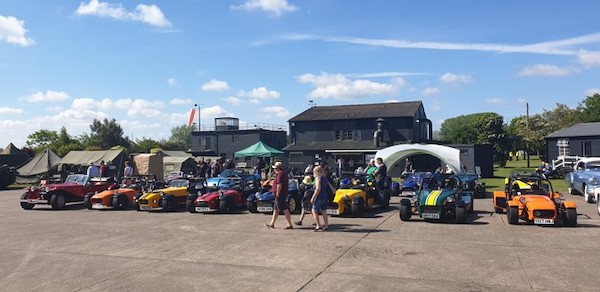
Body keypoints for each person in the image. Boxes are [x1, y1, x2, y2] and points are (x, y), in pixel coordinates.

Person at [265, 161, 293, 229]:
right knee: (276, 209)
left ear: (277, 168)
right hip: (280, 193)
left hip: (280, 194)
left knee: (284, 208)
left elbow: (279, 184)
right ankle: (272, 223)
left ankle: (289, 224)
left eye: (275, 168)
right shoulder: (282, 173)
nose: (274, 170)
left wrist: (278, 192)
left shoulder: (280, 174)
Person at [311, 165, 336, 231]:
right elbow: (330, 185)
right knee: (323, 210)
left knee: (314, 210)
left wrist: (313, 196)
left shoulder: (318, 178)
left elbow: (318, 188)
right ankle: (326, 225)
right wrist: (333, 190)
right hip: (325, 196)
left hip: (319, 196)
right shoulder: (324, 178)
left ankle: (318, 225)